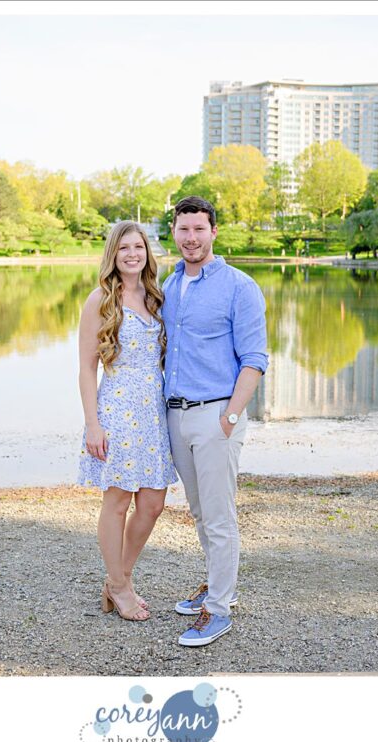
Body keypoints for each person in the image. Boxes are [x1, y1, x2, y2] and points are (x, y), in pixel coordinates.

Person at [162, 196, 269, 647]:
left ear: (213, 232)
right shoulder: (169, 285)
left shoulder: (239, 286)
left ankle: (219, 610)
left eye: (199, 229)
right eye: (183, 229)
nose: (191, 238)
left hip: (216, 415)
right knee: (201, 513)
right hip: (176, 414)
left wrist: (229, 416)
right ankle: (216, 583)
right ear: (174, 232)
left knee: (220, 516)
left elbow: (255, 359)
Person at [77, 221, 179, 622]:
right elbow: (86, 369)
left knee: (152, 504)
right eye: (124, 249)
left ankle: (118, 577)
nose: (132, 254)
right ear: (113, 256)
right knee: (118, 501)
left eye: (138, 246)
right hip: (116, 410)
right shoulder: (100, 299)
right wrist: (92, 424)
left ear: (147, 252)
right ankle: (120, 588)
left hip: (153, 412)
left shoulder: (156, 296)